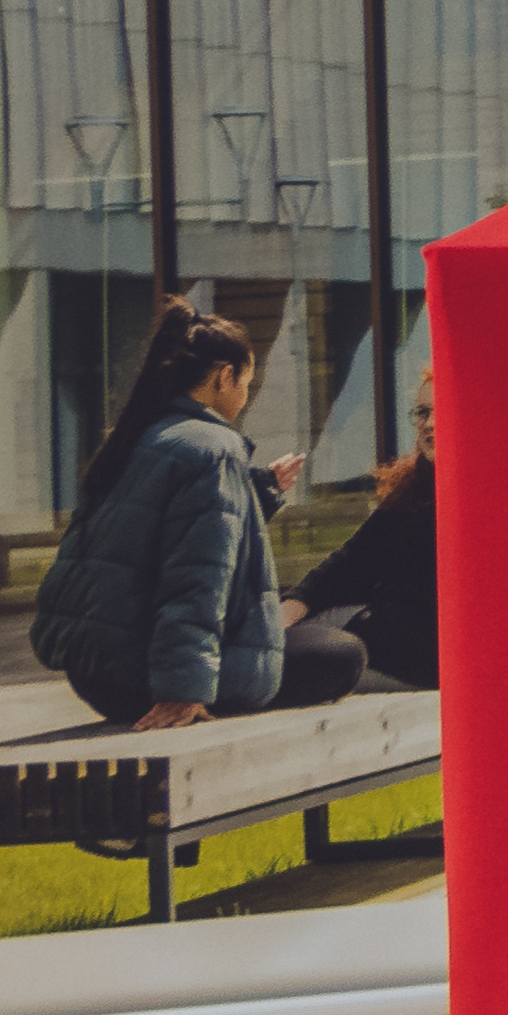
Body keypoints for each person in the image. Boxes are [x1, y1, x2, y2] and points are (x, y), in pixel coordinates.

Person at [36, 302, 367, 732]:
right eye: (247, 381)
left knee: (283, 612)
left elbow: (161, 538)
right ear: (223, 377)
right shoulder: (213, 448)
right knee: (342, 653)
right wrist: (184, 691)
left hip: (98, 678)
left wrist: (259, 492)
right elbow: (195, 581)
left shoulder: (138, 438)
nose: (247, 393)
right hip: (152, 683)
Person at [286, 378, 440, 698]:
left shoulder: (486, 496)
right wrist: (297, 602)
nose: (430, 423)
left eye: (443, 411)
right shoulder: (416, 487)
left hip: (405, 663)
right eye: (423, 412)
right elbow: (355, 559)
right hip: (373, 631)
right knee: (275, 615)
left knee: (302, 664)